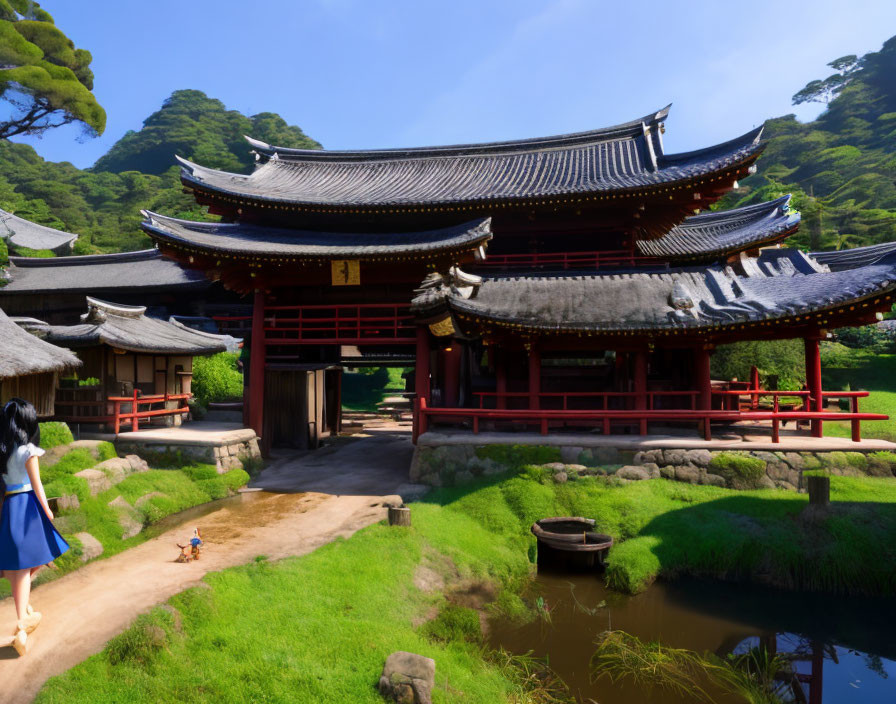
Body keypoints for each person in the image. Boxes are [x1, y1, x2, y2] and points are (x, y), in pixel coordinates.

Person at [0, 398, 69, 656]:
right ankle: (21, 626)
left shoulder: (4, 450)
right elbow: (38, 485)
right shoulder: (28, 450)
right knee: (38, 557)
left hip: (9, 507)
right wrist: (48, 511)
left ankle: (24, 611)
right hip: (28, 507)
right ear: (28, 421)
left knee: (17, 567)